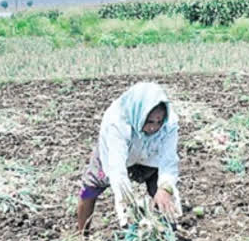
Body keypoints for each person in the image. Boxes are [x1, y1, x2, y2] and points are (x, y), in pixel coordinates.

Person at [77, 82, 181, 232]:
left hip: (150, 156)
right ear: (139, 115)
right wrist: (126, 203)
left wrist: (166, 188)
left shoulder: (169, 124)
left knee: (163, 195)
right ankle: (81, 235)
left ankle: (168, 235)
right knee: (89, 189)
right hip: (117, 155)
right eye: (150, 121)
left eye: (159, 122)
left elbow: (169, 160)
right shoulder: (117, 123)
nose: (154, 127)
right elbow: (116, 168)